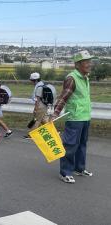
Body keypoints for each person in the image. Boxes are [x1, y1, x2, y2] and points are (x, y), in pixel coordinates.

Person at [51, 50, 94, 184]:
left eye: (89, 61)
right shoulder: (72, 78)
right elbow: (63, 97)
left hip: (85, 117)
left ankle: (79, 168)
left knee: (82, 144)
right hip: (74, 117)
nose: (89, 64)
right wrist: (55, 114)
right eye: (86, 62)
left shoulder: (85, 77)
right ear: (78, 64)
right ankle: (65, 172)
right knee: (70, 145)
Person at [24, 72, 49, 139]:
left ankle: (31, 135)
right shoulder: (42, 84)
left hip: (40, 105)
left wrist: (36, 108)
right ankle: (52, 131)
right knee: (43, 120)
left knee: (37, 120)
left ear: (35, 80)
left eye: (31, 80)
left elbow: (37, 99)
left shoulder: (38, 86)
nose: (31, 82)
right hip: (44, 105)